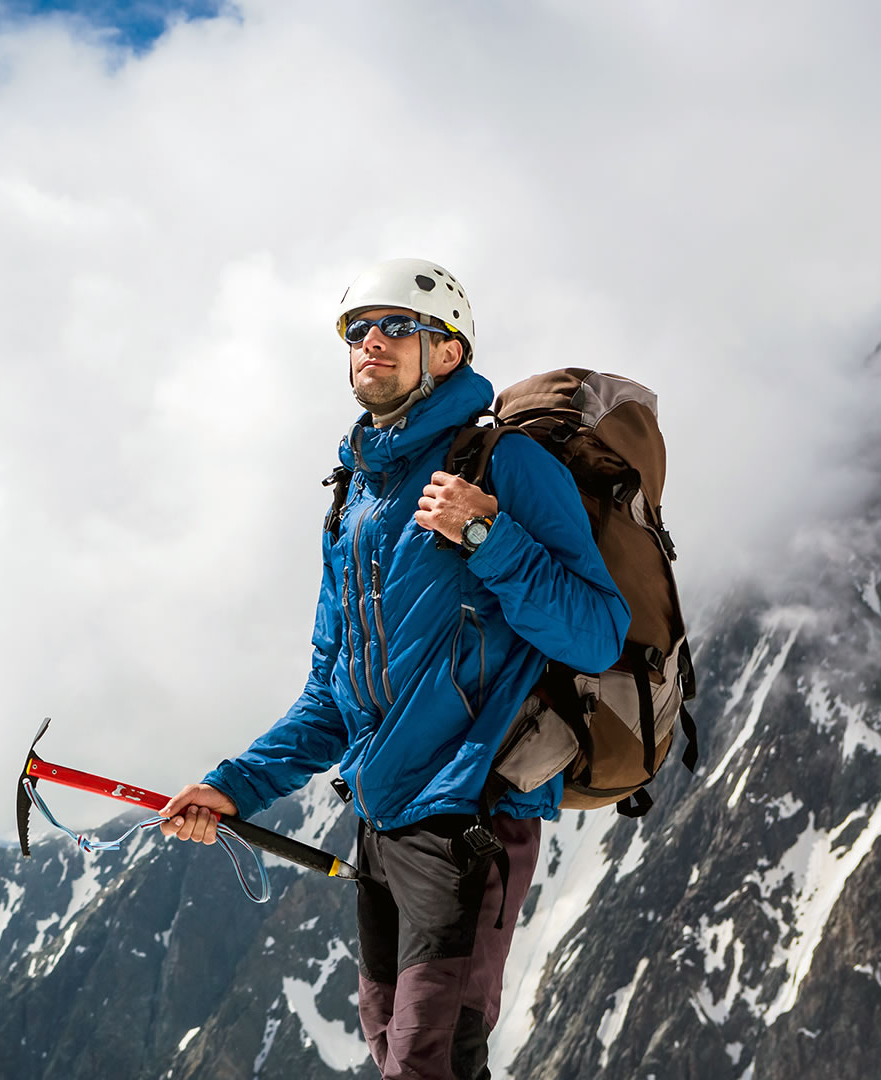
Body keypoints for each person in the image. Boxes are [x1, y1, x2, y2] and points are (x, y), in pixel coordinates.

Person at [158, 259, 630, 1079]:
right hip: (383, 823)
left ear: (448, 352)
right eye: (357, 330)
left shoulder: (504, 467)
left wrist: (489, 535)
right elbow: (331, 697)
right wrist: (232, 786)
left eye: (396, 327)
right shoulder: (352, 502)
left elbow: (597, 634)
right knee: (399, 1057)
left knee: (428, 1063)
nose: (370, 342)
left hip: (470, 815)